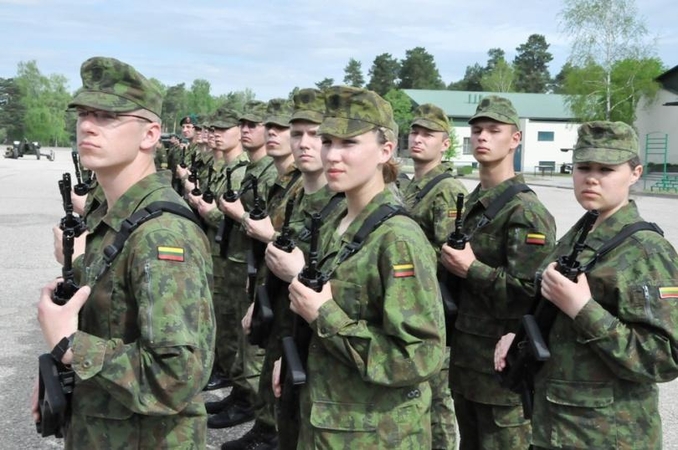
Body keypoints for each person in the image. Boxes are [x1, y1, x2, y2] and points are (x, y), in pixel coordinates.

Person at [32, 56, 215, 448]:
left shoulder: (163, 234)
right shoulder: (115, 214)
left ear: (149, 135)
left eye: (107, 117)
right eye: (83, 113)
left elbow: (175, 380)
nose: (87, 126)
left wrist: (68, 346)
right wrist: (57, 375)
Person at [495, 121, 678, 450]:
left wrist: (583, 309)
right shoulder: (580, 234)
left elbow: (664, 358)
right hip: (555, 426)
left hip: (608, 436)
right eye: (583, 167)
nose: (591, 178)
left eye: (606, 169)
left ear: (635, 173)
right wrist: (518, 336)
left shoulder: (645, 250)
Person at [285, 85, 446, 448]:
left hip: (376, 435)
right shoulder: (334, 221)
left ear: (385, 151)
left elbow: (420, 357)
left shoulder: (397, 239)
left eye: (349, 143)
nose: (332, 155)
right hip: (325, 422)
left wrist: (325, 316)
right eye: (328, 141)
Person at [440, 95, 556, 449]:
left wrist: (471, 269)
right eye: (476, 130)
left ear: (515, 139)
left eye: (494, 130)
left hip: (502, 370)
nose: (482, 137)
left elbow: (533, 293)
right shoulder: (472, 201)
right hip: (466, 362)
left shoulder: (525, 211)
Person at [401, 103, 467, 450]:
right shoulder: (412, 186)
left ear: (445, 144)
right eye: (414, 132)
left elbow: (448, 252)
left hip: (433, 305)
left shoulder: (446, 190)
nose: (418, 139)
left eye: (428, 134)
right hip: (411, 302)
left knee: (438, 395)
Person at [187, 107, 250, 393]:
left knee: (230, 316)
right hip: (216, 249)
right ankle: (220, 365)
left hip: (234, 255)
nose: (214, 135)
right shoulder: (225, 168)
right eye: (213, 130)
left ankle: (228, 371)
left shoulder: (241, 171)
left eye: (222, 130)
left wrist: (208, 212)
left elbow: (235, 220)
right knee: (218, 312)